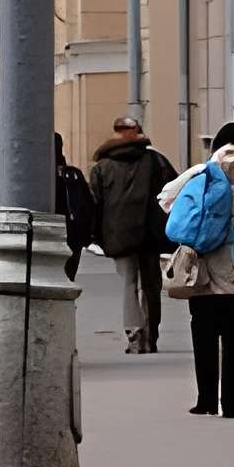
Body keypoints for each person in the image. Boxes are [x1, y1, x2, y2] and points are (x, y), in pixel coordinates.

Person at [158, 121, 234, 419]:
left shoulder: (203, 178)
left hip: (205, 265)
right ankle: (233, 406)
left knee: (203, 333)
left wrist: (198, 171)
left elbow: (166, 200)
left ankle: (206, 400)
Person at [87, 115, 175, 351]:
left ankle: (134, 334)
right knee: (151, 284)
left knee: (127, 283)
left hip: (117, 234)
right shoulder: (156, 161)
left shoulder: (101, 167)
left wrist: (95, 236)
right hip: (152, 233)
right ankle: (151, 333)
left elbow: (94, 204)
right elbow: (174, 191)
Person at [55, 135, 95, 285]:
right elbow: (88, 205)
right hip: (73, 232)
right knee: (68, 276)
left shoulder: (39, 176)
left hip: (57, 230)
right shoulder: (73, 174)